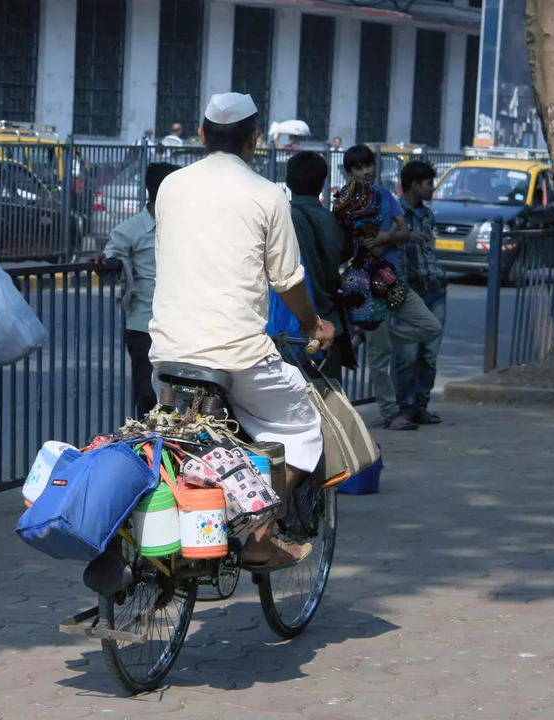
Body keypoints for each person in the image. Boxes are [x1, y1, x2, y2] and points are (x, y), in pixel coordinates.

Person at [151, 92, 335, 569]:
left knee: (176, 439)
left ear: (201, 135)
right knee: (298, 428)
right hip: (237, 357)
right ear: (255, 140)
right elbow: (288, 281)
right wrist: (313, 324)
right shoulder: (268, 195)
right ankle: (259, 533)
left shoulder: (170, 186)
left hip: (168, 353)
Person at [338, 145, 441, 430]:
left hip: (394, 278)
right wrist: (394, 237)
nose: (366, 171)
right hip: (367, 283)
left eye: (368, 164)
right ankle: (389, 413)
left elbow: (401, 231)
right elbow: (368, 245)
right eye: (358, 167)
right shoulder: (347, 201)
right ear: (349, 173)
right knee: (379, 358)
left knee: (430, 327)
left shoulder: (385, 195)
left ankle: (371, 336)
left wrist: (388, 237)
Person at [89, 162, 180, 418]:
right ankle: (150, 453)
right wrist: (102, 261)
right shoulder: (130, 230)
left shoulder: (187, 228)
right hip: (144, 326)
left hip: (182, 324)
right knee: (148, 396)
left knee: (182, 397)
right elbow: (110, 255)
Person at [285, 151, 352, 381]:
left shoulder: (280, 220)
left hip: (286, 328)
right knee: (329, 403)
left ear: (287, 182)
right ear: (323, 182)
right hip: (329, 326)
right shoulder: (336, 223)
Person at [394, 161, 447, 425]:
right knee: (407, 354)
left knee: (429, 354)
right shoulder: (396, 213)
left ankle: (420, 405)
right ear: (415, 185)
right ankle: (404, 408)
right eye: (429, 183)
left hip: (434, 288)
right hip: (409, 291)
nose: (433, 188)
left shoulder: (427, 215)